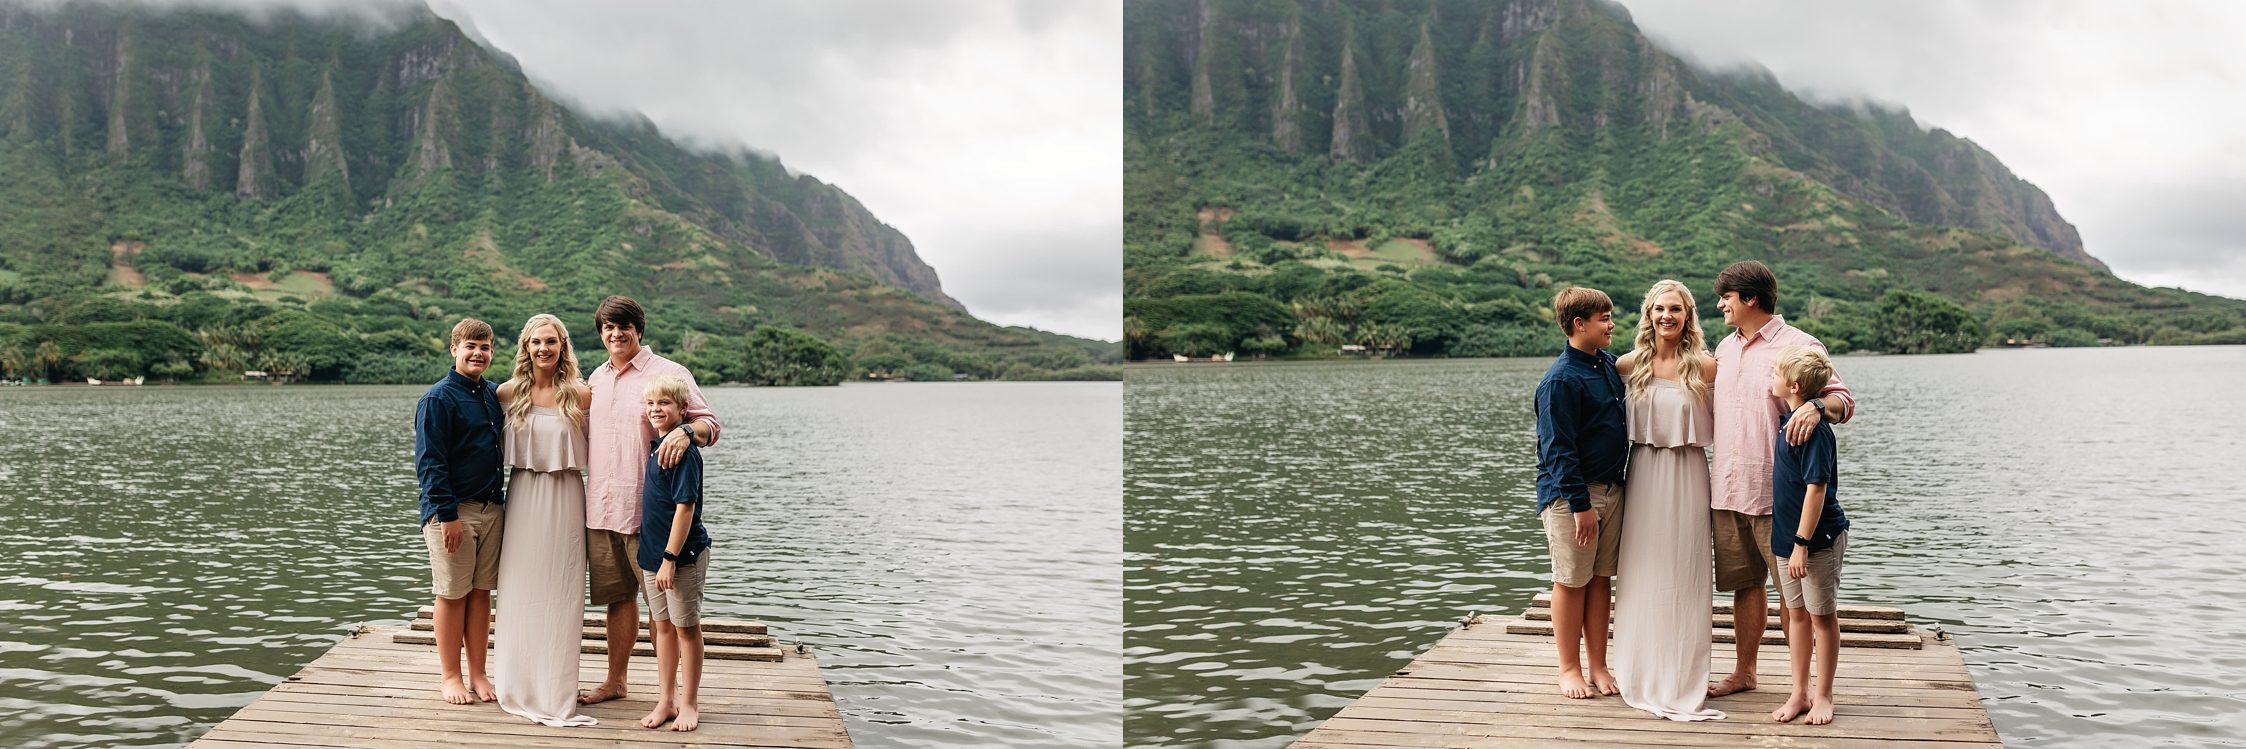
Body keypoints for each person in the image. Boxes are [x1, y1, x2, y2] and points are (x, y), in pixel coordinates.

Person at [1705, 260, 1858, 699]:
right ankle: (1745, 673)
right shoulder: (1724, 349)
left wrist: (1817, 406)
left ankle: (1803, 690)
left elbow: (1844, 400)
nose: (1721, 305)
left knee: (1797, 601)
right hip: (1728, 492)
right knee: (1744, 586)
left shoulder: (1800, 345)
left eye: (1727, 298)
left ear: (1750, 298)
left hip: (1779, 498)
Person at [577, 295, 720, 706]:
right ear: (601, 333)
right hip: (602, 511)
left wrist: (687, 432)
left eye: (624, 326)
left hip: (650, 517)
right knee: (618, 601)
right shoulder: (596, 379)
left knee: (665, 612)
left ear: (638, 330)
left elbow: (709, 424)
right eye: (608, 327)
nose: (616, 333)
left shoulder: (669, 373)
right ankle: (615, 682)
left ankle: (669, 696)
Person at [1611, 280, 1726, 721]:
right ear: (1649, 314)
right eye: (1659, 309)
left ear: (1688, 315)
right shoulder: (1627, 365)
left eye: (1675, 309)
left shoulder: (1708, 368)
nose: (1667, 316)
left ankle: (1681, 678)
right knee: (1641, 573)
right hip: (1642, 473)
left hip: (1689, 475)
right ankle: (1638, 670)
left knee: (1685, 574)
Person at [491, 314, 598, 727]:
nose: (543, 348)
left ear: (562, 346)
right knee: (518, 590)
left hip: (567, 497)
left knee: (561, 592)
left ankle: (555, 690)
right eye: (536, 342)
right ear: (526, 347)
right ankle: (514, 684)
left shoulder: (582, 396)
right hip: (522, 497)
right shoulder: (506, 393)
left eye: (551, 341)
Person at [1532, 286, 1627, 700]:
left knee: (1601, 579)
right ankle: (1568, 668)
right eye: (1604, 318)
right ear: (1579, 324)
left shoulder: (1606, 364)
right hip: (1571, 498)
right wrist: (1580, 505)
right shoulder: (1559, 381)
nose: (1611, 325)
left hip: (1613, 489)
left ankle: (1598, 666)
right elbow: (1558, 449)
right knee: (1571, 581)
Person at [412, 318, 506, 705]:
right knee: (452, 594)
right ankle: (450, 676)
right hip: (452, 513)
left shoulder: (494, 394)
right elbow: (430, 463)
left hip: (492, 508)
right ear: (454, 350)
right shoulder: (437, 399)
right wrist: (446, 515)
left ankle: (478, 673)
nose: (478, 353)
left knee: (481, 593)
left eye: (485, 347)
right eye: (470, 346)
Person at [1767, 346, 1851, 725]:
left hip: (1816, 541)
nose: (1771, 377)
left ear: (1794, 385)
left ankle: (1824, 695)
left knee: (1821, 617)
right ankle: (1799, 692)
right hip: (1786, 538)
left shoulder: (1814, 432)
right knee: (1797, 615)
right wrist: (1790, 542)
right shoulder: (1788, 421)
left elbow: (1816, 490)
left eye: (1776, 373)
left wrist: (1802, 544)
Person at [635, 375, 716, 731]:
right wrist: (656, 557)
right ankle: (666, 699)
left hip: (681, 557)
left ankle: (689, 703)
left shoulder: (684, 452)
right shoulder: (657, 445)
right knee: (664, 627)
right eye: (651, 404)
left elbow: (685, 509)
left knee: (686, 629)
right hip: (652, 555)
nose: (655, 409)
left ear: (683, 409)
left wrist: (670, 558)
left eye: (664, 403)